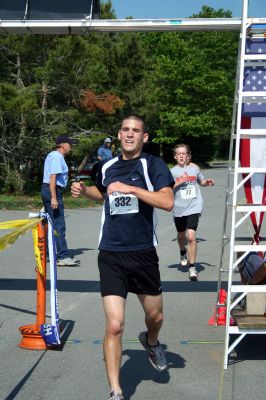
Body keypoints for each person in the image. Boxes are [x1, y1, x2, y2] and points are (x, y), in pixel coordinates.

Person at [71, 114, 174, 400]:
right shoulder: (106, 166)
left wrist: (132, 189)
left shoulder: (153, 165)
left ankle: (151, 342)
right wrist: (84, 191)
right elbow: (104, 194)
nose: (130, 134)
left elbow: (167, 202)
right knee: (114, 324)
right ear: (119, 135)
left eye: (136, 130)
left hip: (142, 254)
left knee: (155, 315)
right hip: (111, 253)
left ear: (145, 137)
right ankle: (116, 391)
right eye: (126, 130)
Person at [170, 143, 214, 281]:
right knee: (181, 234)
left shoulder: (195, 168)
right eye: (179, 154)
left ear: (189, 156)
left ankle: (192, 267)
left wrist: (206, 182)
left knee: (191, 236)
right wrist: (177, 183)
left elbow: (201, 181)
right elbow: (167, 189)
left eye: (184, 153)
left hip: (194, 205)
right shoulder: (172, 172)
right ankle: (183, 252)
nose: (181, 156)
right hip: (179, 207)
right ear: (175, 156)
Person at [41, 135, 80, 267]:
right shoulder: (57, 157)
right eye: (70, 144)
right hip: (53, 190)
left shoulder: (53, 156)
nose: (71, 147)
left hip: (48, 189)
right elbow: (53, 177)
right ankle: (63, 256)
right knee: (58, 224)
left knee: (51, 224)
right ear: (63, 145)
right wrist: (53, 197)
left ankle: (46, 254)